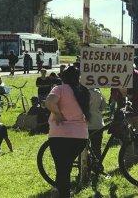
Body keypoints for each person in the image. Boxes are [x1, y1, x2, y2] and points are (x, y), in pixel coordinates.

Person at [45, 66, 90, 198]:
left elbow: (49, 102)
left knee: (62, 169)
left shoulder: (59, 89)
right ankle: (60, 192)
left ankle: (62, 193)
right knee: (66, 167)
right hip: (80, 137)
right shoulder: (84, 91)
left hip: (59, 136)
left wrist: (57, 113)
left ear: (64, 78)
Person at [88, 88, 107, 159]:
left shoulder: (80, 91)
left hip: (84, 124)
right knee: (97, 148)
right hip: (97, 123)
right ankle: (97, 165)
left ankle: (86, 165)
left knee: (84, 150)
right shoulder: (98, 92)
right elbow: (104, 106)